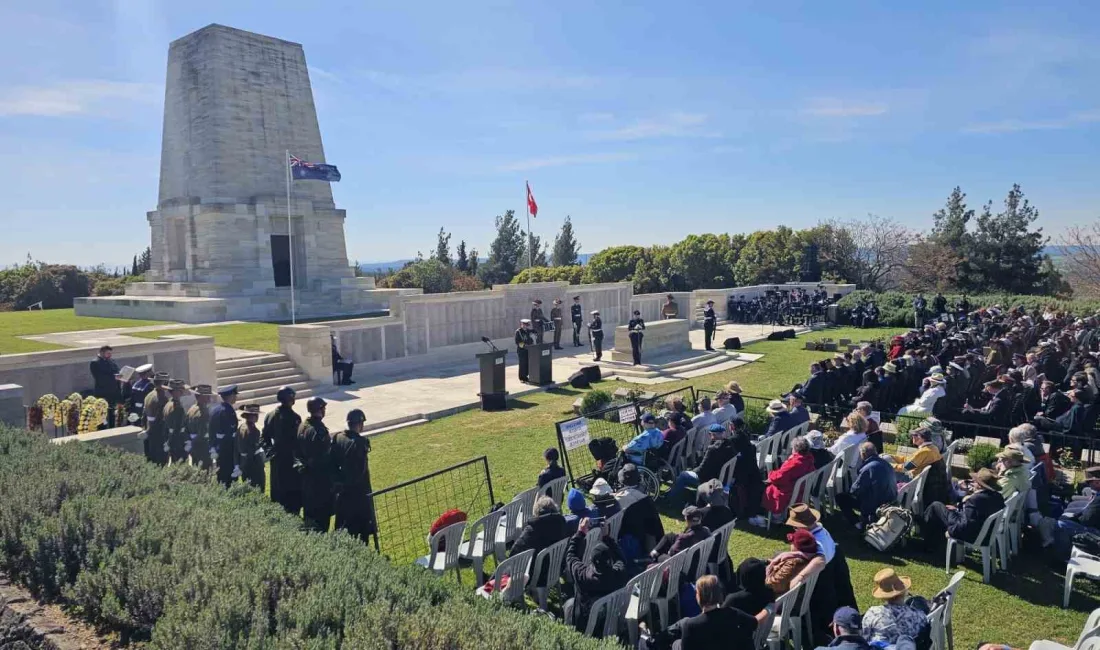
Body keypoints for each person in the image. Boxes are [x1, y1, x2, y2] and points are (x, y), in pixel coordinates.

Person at [564, 517, 628, 634]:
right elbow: (621, 559)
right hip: (607, 624)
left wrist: (580, 533)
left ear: (591, 560)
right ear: (610, 560)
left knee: (568, 604)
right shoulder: (618, 575)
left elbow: (570, 557)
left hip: (583, 626)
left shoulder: (582, 575)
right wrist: (607, 537)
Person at [662, 575, 758, 650]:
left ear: (699, 596)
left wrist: (676, 644)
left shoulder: (690, 625)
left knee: (676, 642)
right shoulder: (732, 613)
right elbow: (754, 623)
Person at [924, 468, 1005, 546]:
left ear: (980, 485)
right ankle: (932, 535)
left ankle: (928, 543)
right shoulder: (998, 497)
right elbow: (976, 515)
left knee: (936, 506)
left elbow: (965, 525)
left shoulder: (975, 500)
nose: (972, 482)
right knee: (944, 508)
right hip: (986, 533)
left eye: (975, 481)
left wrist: (950, 531)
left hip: (971, 535)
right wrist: (957, 509)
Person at [331, 409, 375, 541]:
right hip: (358, 494)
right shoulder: (359, 443)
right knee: (362, 531)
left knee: (344, 529)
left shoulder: (338, 437)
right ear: (360, 424)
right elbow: (359, 472)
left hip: (342, 493)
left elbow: (332, 463)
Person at [752, 437, 815, 526]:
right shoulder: (809, 459)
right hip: (801, 490)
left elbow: (779, 478)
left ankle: (774, 516)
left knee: (763, 488)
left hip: (789, 491)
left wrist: (771, 474)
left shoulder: (795, 462)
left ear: (795, 449)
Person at [666, 423, 734, 503]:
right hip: (724, 479)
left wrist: (693, 470)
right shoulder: (730, 446)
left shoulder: (712, 449)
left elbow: (701, 470)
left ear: (711, 435)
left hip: (709, 479)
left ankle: (669, 499)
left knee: (683, 475)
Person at [861, 569, 928, 649]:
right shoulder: (919, 616)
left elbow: (865, 638)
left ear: (883, 596)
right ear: (904, 592)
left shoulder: (873, 615)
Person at [511, 496, 569, 587]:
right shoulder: (562, 522)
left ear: (536, 512)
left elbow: (514, 551)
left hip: (538, 575)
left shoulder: (532, 530)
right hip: (559, 567)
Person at [263, 386, 303, 515]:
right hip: (290, 460)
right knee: (291, 492)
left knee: (277, 487)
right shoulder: (294, 418)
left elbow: (264, 438)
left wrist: (270, 452)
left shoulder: (270, 415)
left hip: (277, 459)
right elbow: (297, 441)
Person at [838, 442, 897, 528]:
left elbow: (854, 490)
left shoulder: (868, 468)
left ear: (863, 454)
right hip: (890, 502)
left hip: (876, 505)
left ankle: (858, 524)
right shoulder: (886, 464)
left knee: (841, 498)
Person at [297, 397, 334, 532]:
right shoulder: (318, 430)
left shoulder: (302, 426)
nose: (324, 411)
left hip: (306, 479)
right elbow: (325, 456)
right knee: (321, 519)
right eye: (323, 408)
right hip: (319, 481)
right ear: (319, 410)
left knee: (309, 515)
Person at [649, 505, 711, 571]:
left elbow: (671, 552)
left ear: (687, 519)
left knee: (660, 556)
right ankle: (654, 552)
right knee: (669, 536)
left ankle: (653, 557)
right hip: (697, 560)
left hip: (681, 566)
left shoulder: (684, 537)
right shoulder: (706, 530)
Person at [766, 528, 819, 595]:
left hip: (779, 599)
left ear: (797, 547)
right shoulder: (810, 557)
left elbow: (774, 585)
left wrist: (765, 573)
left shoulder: (794, 563)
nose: (790, 544)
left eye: (792, 542)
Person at [209, 384, 240, 486]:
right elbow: (230, 432)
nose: (236, 397)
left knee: (221, 476)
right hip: (228, 449)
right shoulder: (228, 411)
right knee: (229, 477)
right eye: (235, 395)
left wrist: (213, 446)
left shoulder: (216, 409)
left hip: (219, 449)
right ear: (230, 396)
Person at [141, 372, 171, 466]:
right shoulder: (162, 399)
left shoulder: (149, 395)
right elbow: (161, 421)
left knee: (151, 461)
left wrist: (146, 430)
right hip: (159, 436)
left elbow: (144, 416)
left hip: (149, 433)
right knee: (161, 463)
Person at [90, 345, 121, 428]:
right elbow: (100, 378)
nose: (110, 355)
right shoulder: (95, 363)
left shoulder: (111, 361)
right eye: (108, 353)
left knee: (112, 414)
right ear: (102, 353)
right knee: (102, 415)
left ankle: (112, 428)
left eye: (111, 353)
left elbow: (116, 370)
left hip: (113, 392)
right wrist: (114, 377)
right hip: (103, 393)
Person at [236, 403, 265, 489]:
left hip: (244, 463)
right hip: (254, 464)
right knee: (258, 487)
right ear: (250, 416)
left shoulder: (241, 427)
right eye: (255, 415)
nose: (257, 417)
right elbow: (252, 450)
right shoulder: (254, 431)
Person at [185, 384, 214, 470]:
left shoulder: (191, 409)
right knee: (205, 471)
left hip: (194, 446)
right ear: (200, 397)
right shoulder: (203, 413)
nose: (209, 398)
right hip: (203, 447)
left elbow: (186, 428)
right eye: (207, 396)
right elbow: (204, 433)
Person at [162, 378, 189, 465]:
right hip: (178, 442)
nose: (182, 392)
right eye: (180, 390)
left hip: (171, 440)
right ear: (175, 392)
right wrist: (185, 441)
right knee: (180, 464)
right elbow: (178, 428)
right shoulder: (177, 408)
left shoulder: (168, 404)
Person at [514, 318, 534, 383]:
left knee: (527, 363)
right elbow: (517, 342)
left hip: (528, 350)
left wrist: (531, 343)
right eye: (524, 325)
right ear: (522, 324)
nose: (525, 326)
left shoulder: (528, 331)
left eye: (527, 325)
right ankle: (522, 378)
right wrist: (524, 346)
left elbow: (529, 339)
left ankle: (526, 376)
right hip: (521, 350)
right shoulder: (518, 331)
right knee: (522, 364)